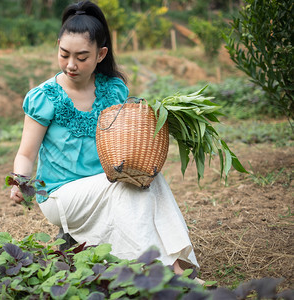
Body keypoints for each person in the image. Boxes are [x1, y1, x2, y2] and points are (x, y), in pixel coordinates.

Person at [10, 0, 199, 275]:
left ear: (101, 55)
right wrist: (20, 182)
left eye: (82, 57)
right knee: (124, 186)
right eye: (64, 54)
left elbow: (126, 140)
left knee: (148, 178)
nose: (71, 65)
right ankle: (167, 273)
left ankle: (174, 261)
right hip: (59, 193)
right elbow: (26, 154)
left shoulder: (113, 90)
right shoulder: (45, 97)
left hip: (105, 186)